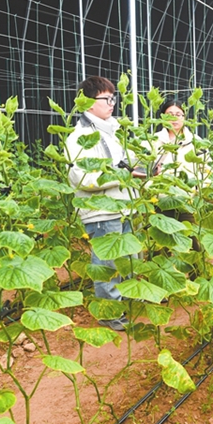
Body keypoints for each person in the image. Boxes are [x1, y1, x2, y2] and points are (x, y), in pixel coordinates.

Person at [64, 76, 134, 331]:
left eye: (113, 98)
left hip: (120, 207)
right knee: (107, 265)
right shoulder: (80, 137)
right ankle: (109, 313)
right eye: (106, 98)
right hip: (101, 212)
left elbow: (125, 163)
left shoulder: (111, 132)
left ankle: (121, 304)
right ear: (88, 102)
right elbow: (81, 177)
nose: (112, 103)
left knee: (125, 259)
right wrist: (122, 174)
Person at [143, 99, 211, 251]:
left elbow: (206, 169)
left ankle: (193, 266)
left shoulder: (196, 141)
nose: (174, 118)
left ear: (184, 117)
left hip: (186, 200)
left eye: (178, 114)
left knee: (191, 242)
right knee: (161, 244)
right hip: (160, 199)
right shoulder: (153, 141)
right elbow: (142, 170)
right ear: (162, 117)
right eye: (170, 114)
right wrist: (152, 187)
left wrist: (197, 190)